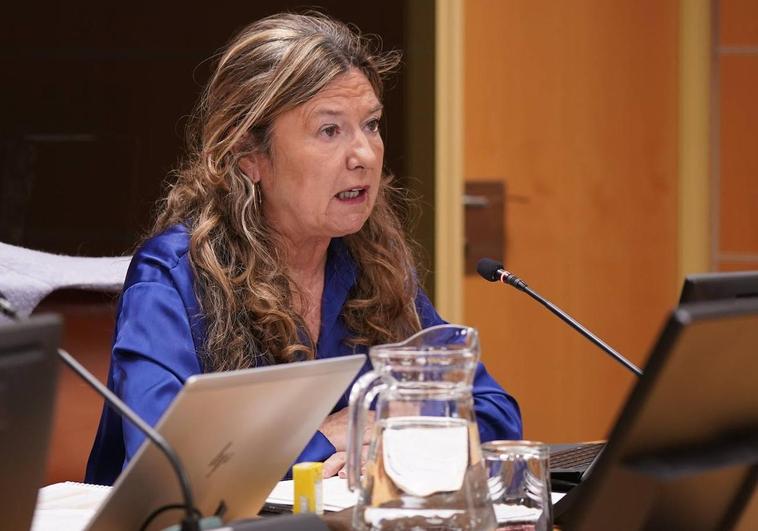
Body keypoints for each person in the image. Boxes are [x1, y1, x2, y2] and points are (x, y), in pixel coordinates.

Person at [85, 12, 522, 486]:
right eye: (330, 131)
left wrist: (391, 435)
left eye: (371, 125)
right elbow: (167, 463)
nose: (365, 155)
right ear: (248, 154)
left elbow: (492, 414)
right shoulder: (174, 276)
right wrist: (327, 438)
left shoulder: (369, 260)